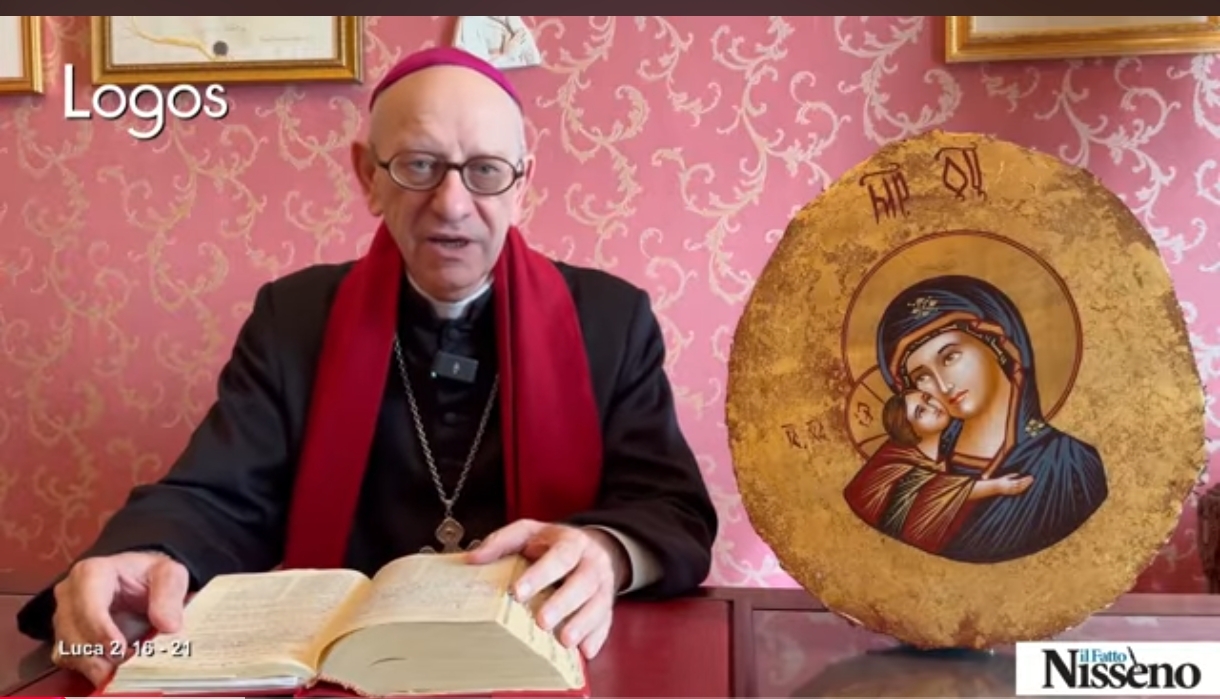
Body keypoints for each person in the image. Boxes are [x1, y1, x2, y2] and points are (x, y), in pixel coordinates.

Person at [17, 46, 718, 686]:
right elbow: (219, 493)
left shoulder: (611, 319)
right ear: (368, 177)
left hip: (542, 664)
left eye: (485, 171)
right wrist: (144, 553)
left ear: (521, 184)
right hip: (348, 676)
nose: (451, 204)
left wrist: (606, 551)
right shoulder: (294, 318)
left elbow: (670, 507)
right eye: (419, 165)